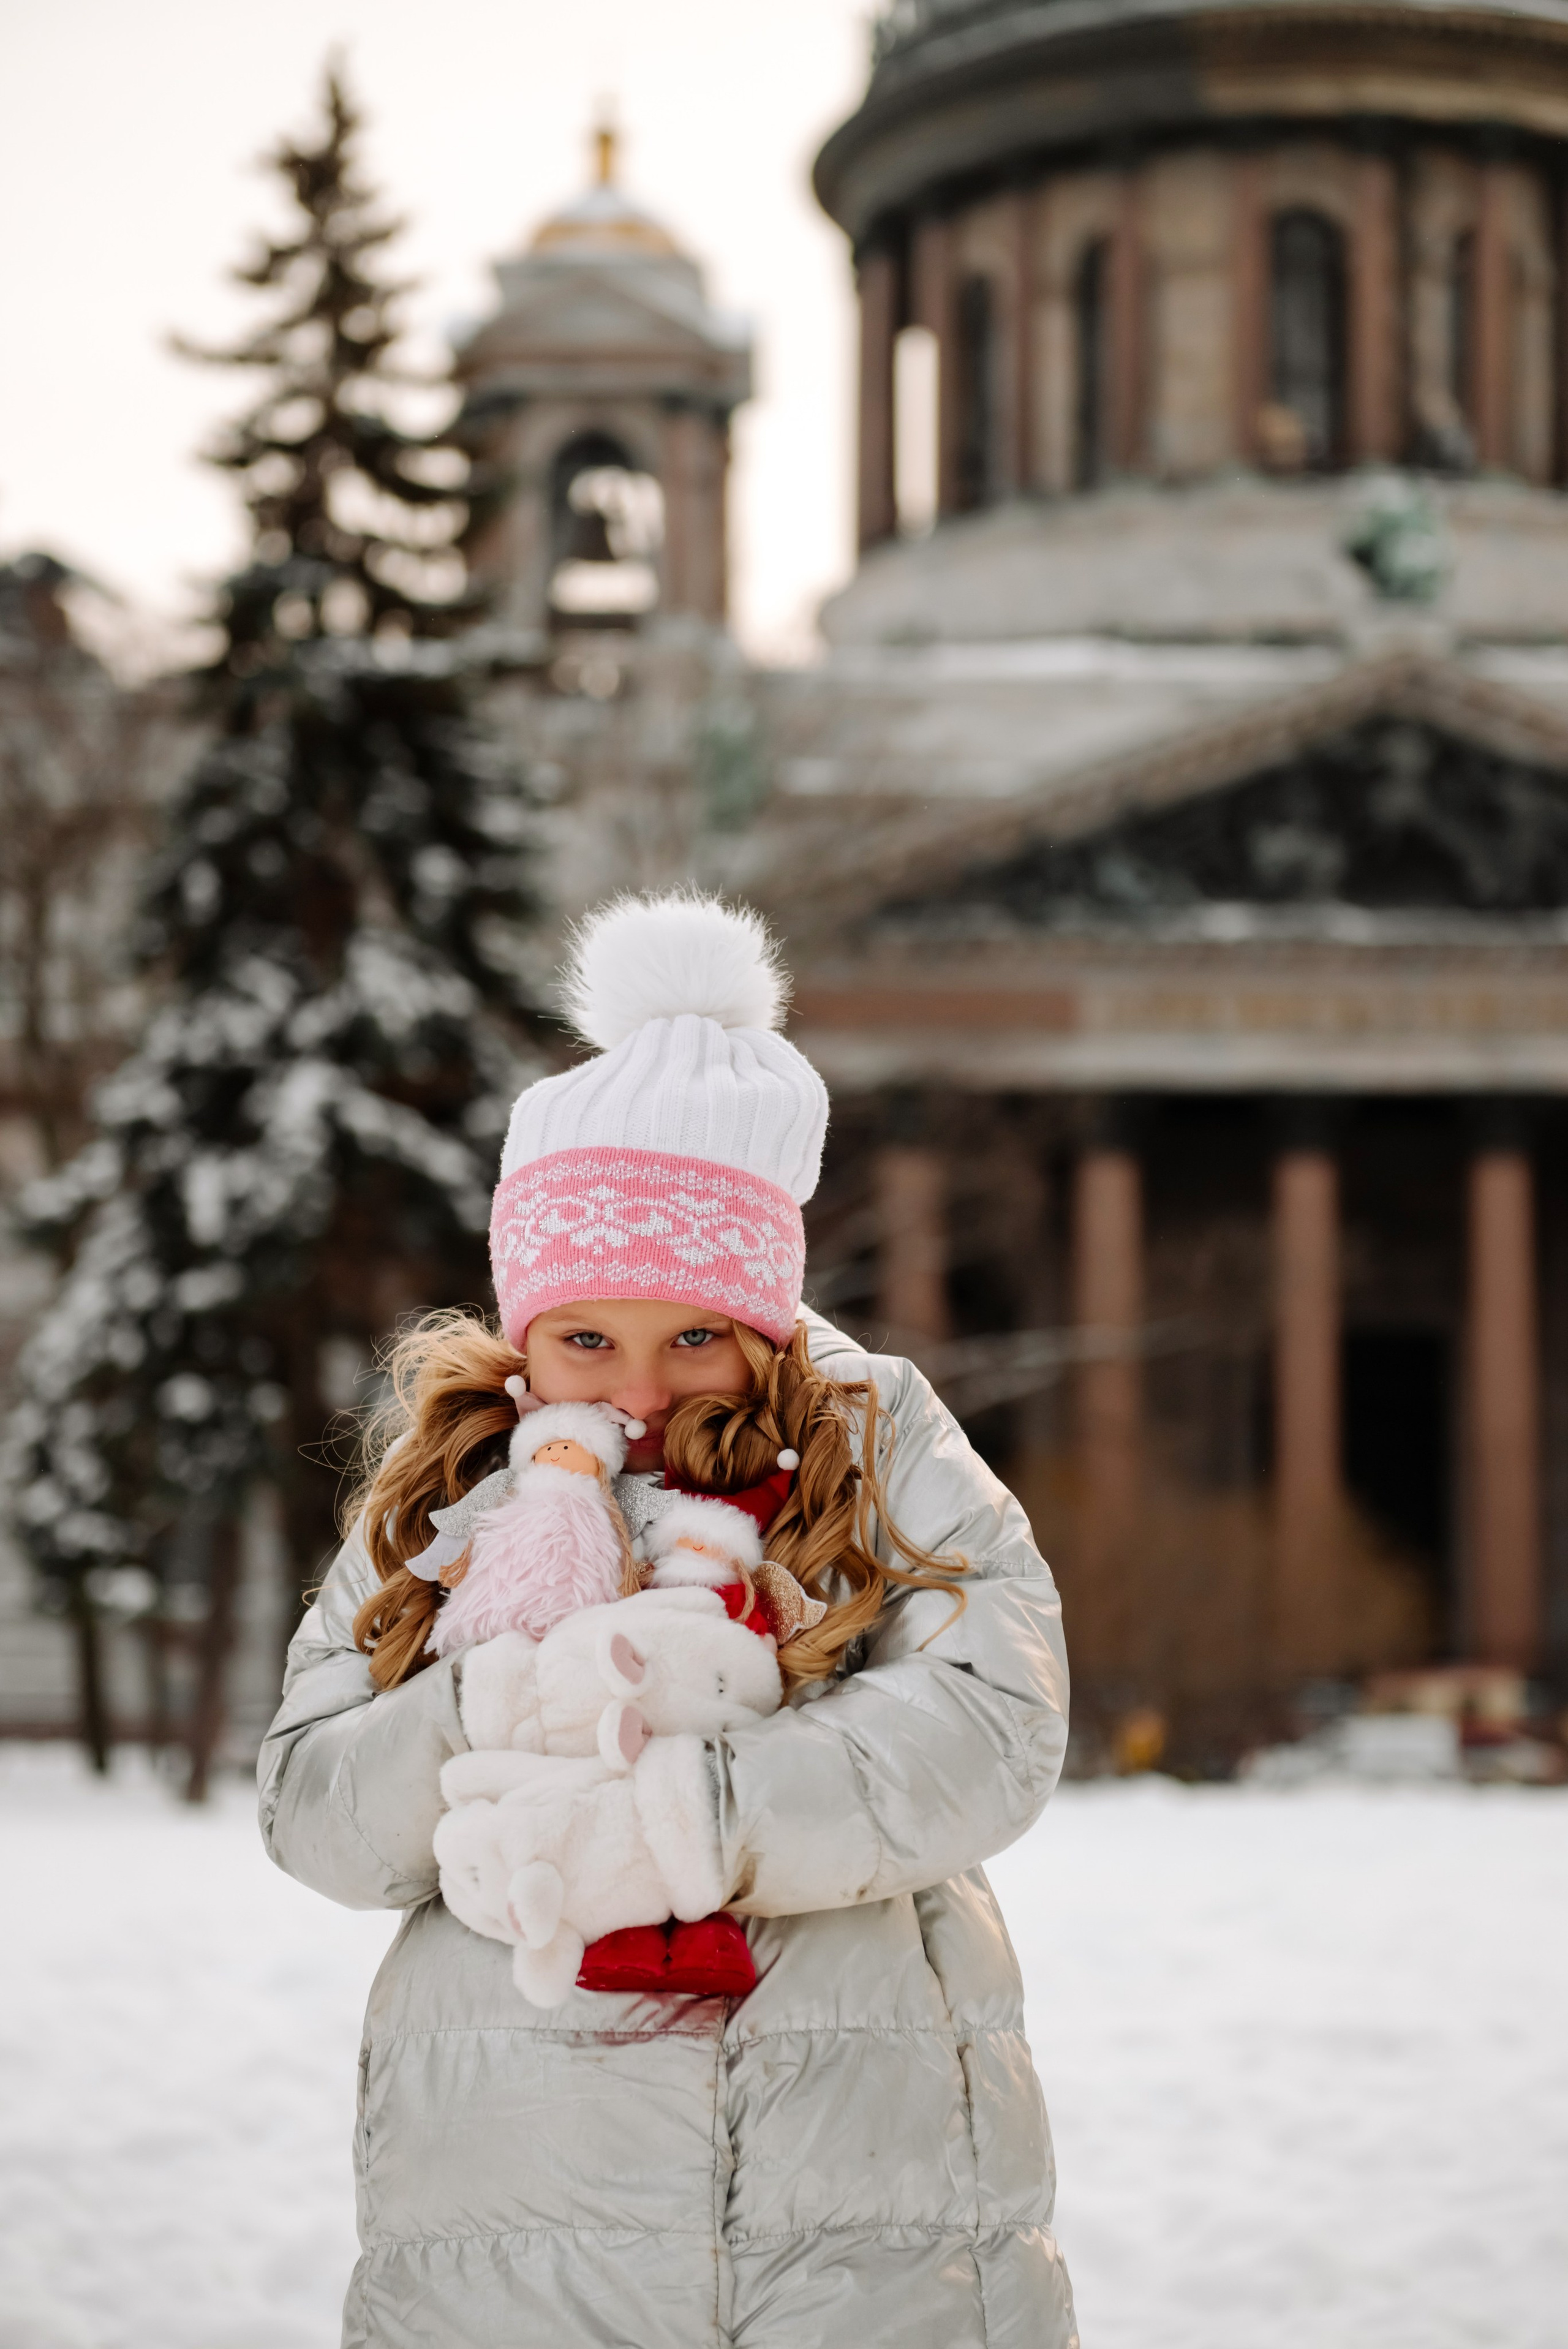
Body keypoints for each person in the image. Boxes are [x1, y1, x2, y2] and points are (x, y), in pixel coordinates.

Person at [258, 892, 1078, 2348]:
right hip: (516, 2209)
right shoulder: (454, 1499)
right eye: (587, 1337)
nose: (638, 1387)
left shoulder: (871, 1438)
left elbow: (989, 1713)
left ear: (763, 1315)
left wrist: (695, 1811)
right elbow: (316, 1805)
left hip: (860, 2207)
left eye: (692, 1333)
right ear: (527, 1330)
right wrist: (479, 1706)